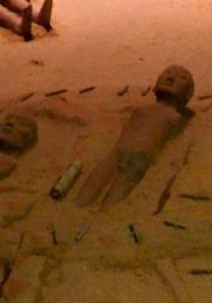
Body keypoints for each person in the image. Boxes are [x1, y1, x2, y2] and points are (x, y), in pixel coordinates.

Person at [76, 66, 195, 208]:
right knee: (96, 180)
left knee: (120, 189)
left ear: (188, 93)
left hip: (140, 157)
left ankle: (106, 209)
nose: (170, 78)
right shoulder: (141, 109)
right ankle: (80, 204)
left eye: (181, 77)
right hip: (116, 152)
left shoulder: (175, 116)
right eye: (167, 73)